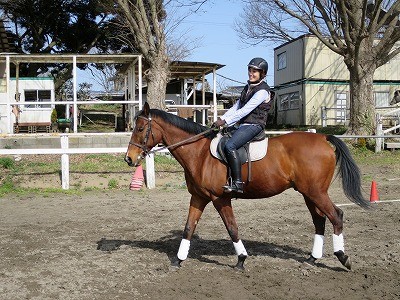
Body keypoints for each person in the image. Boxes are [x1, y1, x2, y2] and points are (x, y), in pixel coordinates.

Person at [212, 57, 272, 193]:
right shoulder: (248, 88)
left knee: (230, 145)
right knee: (221, 137)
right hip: (244, 124)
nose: (251, 73)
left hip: (255, 125)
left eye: (255, 71)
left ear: (262, 74)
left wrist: (226, 121)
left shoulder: (262, 91)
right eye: (250, 70)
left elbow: (245, 110)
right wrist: (221, 119)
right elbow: (237, 106)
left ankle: (238, 182)